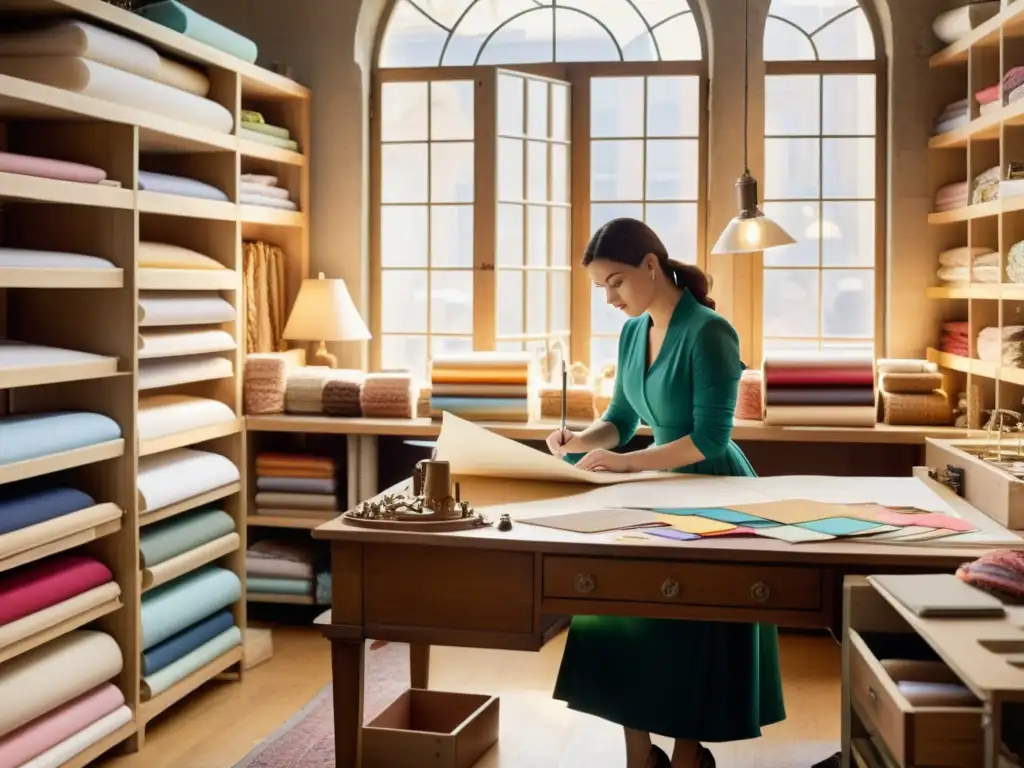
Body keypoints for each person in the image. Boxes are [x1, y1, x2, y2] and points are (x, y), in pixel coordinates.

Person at [544, 218, 785, 768]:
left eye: (616, 283)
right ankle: (638, 755)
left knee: (687, 629)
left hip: (710, 487)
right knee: (617, 610)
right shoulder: (632, 332)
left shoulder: (710, 332)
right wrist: (578, 440)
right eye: (601, 287)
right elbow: (621, 420)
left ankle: (687, 755)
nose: (609, 298)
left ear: (651, 266)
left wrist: (628, 465)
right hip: (652, 484)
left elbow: (708, 438)